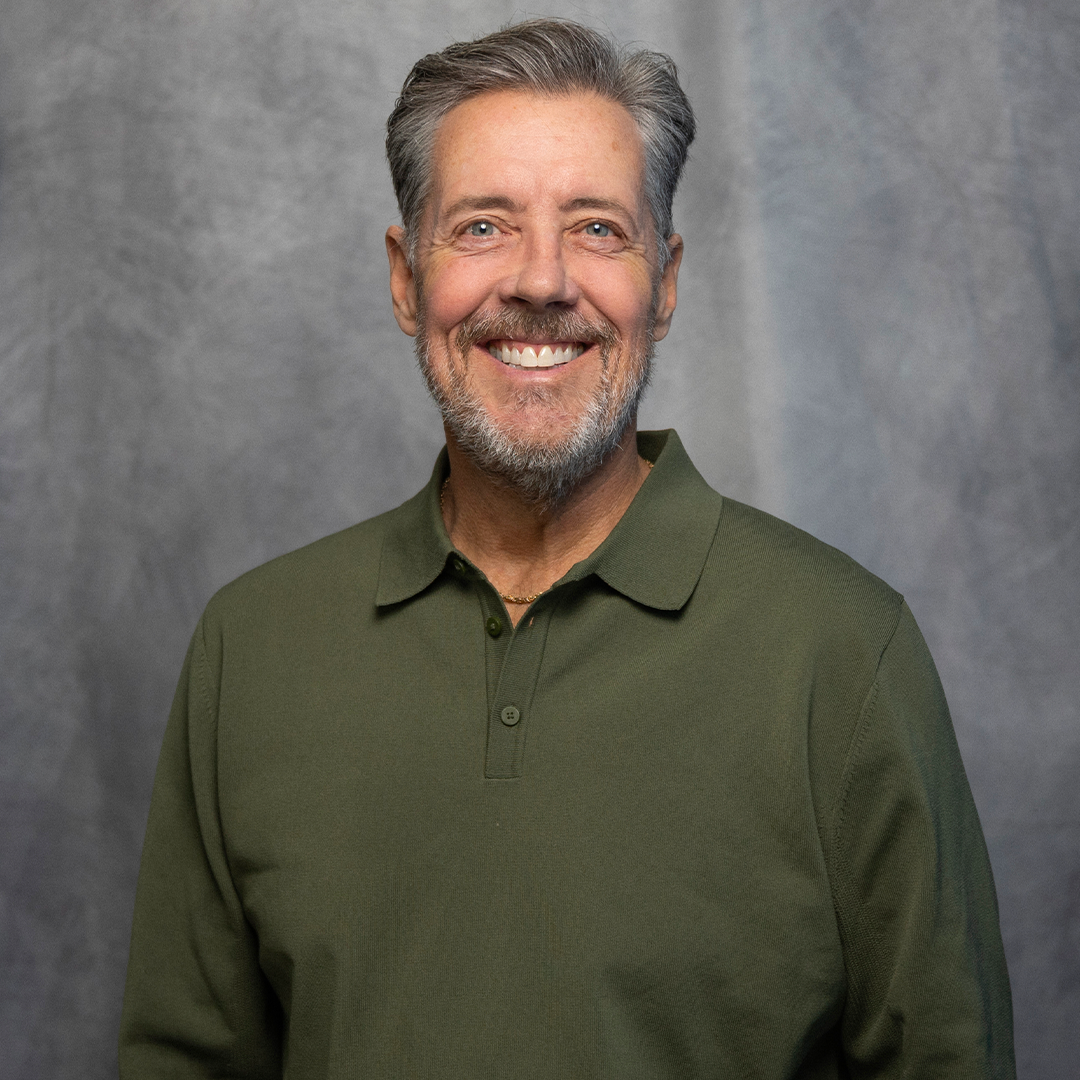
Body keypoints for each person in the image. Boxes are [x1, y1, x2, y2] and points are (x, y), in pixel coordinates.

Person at [119, 19, 1015, 1078]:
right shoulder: (252, 650)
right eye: (484, 227)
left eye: (596, 228)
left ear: (665, 282)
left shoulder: (842, 654)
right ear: (407, 279)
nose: (541, 281)